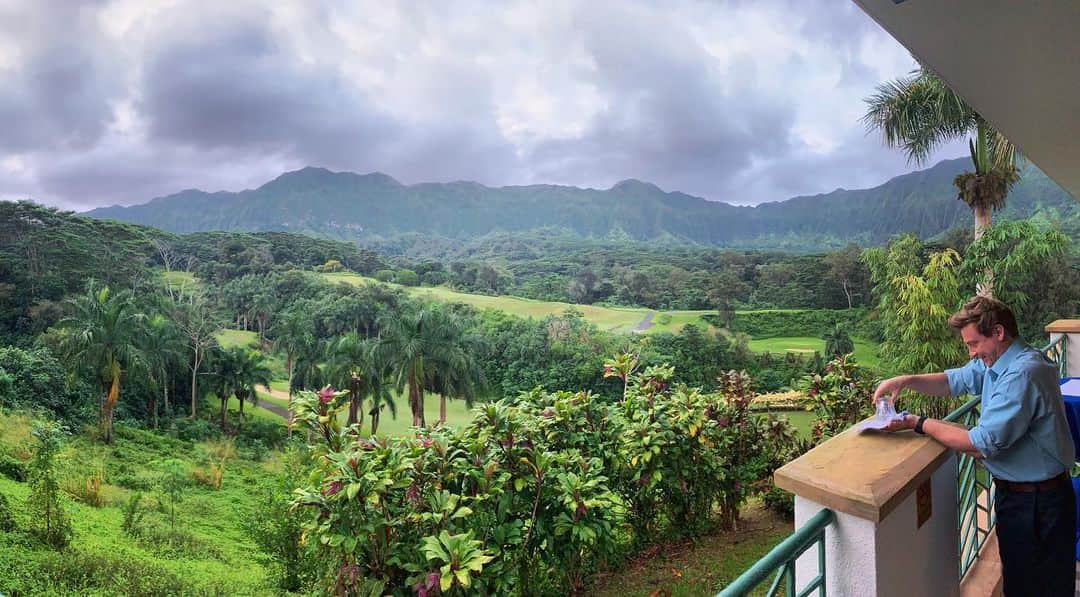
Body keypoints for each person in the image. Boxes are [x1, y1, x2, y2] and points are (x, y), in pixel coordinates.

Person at [874, 295, 1075, 597]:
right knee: (1025, 581)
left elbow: (981, 444)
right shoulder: (1000, 361)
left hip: (1037, 504)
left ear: (998, 332)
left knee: (1035, 587)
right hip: (1026, 496)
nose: (971, 353)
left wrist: (917, 422)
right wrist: (906, 380)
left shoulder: (1021, 373)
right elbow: (953, 381)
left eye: (973, 344)